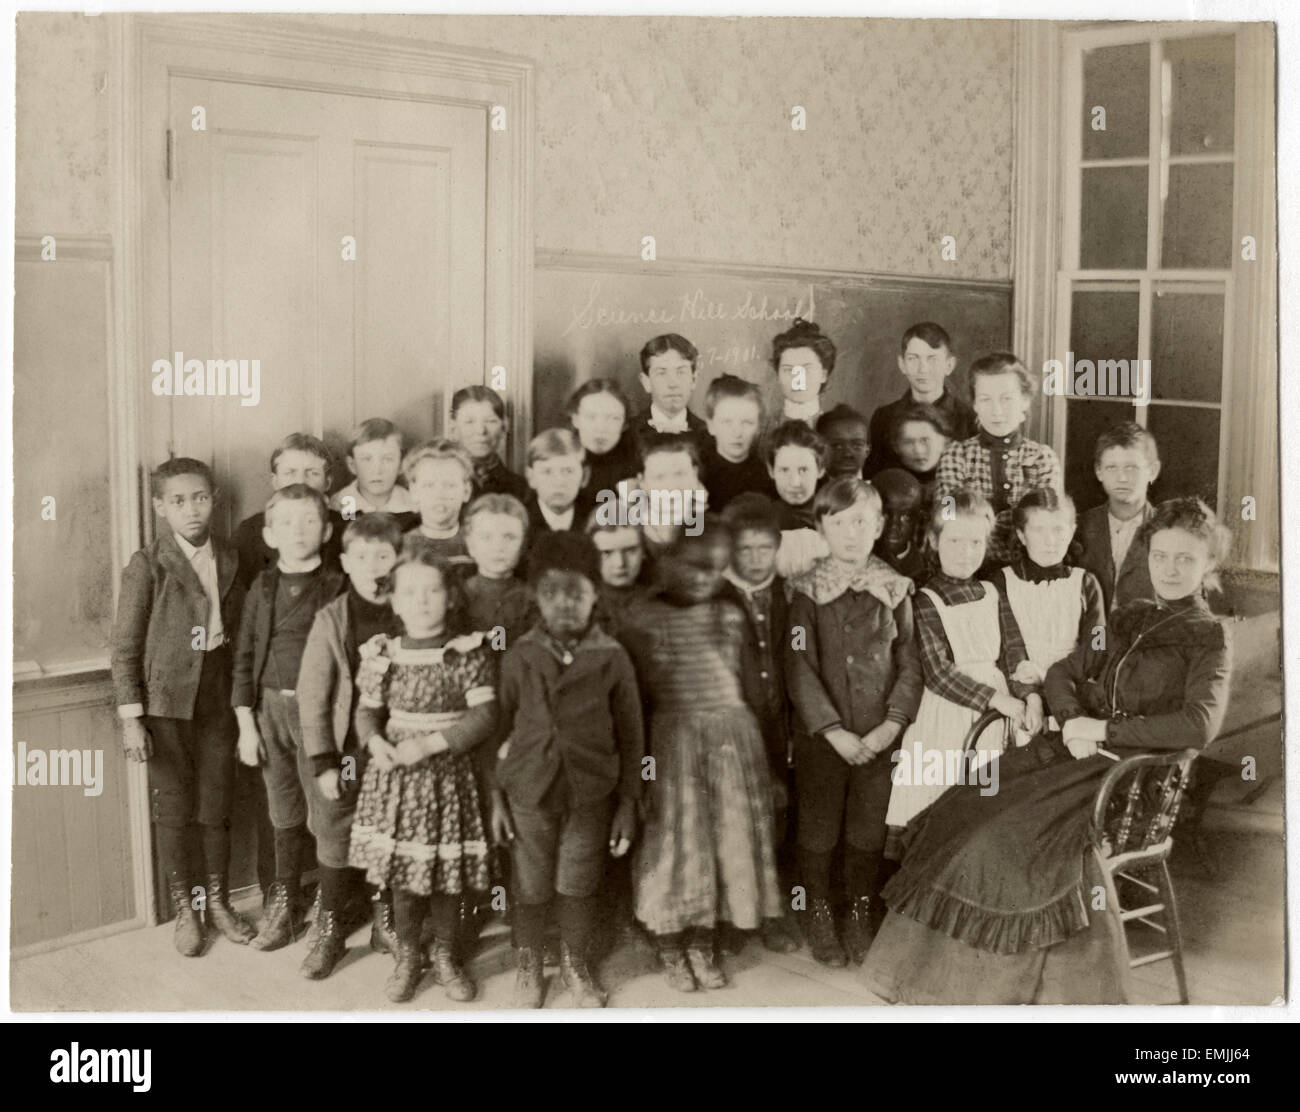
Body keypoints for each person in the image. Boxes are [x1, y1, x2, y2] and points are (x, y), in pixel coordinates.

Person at [862, 498, 1232, 1005]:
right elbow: (1063, 672)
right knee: (963, 804)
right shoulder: (1127, 618)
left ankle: (1008, 992)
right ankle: (941, 980)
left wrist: (1099, 730)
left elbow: (1200, 724)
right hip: (1072, 751)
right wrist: (1070, 717)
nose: (1169, 569)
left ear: (1208, 564)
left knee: (1007, 836)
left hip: (1126, 780)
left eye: (1185, 559)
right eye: (1161, 556)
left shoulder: (1208, 636)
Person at [623, 519, 785, 991]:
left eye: (714, 571)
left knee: (723, 841)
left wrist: (771, 765)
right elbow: (635, 702)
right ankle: (671, 944)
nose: (702, 578)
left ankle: (703, 939)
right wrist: (643, 774)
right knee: (676, 845)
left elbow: (751, 689)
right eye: (692, 567)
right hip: (673, 744)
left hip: (733, 743)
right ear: (667, 562)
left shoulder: (729, 613)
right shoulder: (643, 617)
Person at [489, 532, 644, 1008]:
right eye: (552, 593)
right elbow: (497, 731)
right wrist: (495, 799)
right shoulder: (518, 655)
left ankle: (576, 963)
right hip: (529, 789)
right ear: (536, 598)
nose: (564, 604)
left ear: (595, 595)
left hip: (590, 793)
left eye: (576, 593)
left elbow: (633, 735)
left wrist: (629, 802)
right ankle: (529, 963)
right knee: (531, 882)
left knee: (579, 880)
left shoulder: (612, 657)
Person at [112, 458, 253, 956]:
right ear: (159, 507)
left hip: (217, 697)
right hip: (166, 705)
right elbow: (126, 648)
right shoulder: (147, 565)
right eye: (177, 501)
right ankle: (187, 911)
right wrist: (133, 720)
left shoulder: (233, 558)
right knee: (174, 809)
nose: (191, 510)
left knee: (215, 805)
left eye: (199, 498)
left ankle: (217, 903)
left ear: (213, 499)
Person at [347, 539, 499, 1003]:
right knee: (405, 879)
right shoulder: (383, 653)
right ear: (393, 599)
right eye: (409, 593)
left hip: (447, 778)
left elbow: (484, 717)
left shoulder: (465, 651)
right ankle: (408, 956)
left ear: (450, 597)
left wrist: (430, 745)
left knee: (445, 877)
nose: (421, 602)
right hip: (396, 782)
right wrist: (375, 743)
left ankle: (448, 954)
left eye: (432, 591)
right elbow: (367, 713)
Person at [784, 477, 922, 966]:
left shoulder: (895, 588)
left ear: (880, 525)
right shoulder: (805, 593)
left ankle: (860, 911)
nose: (850, 533)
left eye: (861, 522)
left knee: (866, 831)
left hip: (878, 739)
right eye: (838, 523)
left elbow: (909, 660)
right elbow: (798, 666)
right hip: (826, 740)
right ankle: (817, 910)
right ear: (821, 528)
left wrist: (892, 724)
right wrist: (832, 730)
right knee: (819, 829)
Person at [883, 489, 1039, 835]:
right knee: (942, 796)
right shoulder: (924, 600)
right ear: (935, 541)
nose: (965, 553)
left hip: (1000, 713)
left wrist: (1028, 696)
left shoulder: (993, 592)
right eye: (954, 541)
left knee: (988, 803)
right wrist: (997, 700)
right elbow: (938, 673)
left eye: (975, 543)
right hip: (949, 712)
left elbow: (1013, 650)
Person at [232, 484, 345, 951]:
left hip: (319, 714)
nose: (298, 531)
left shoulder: (338, 585)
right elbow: (243, 656)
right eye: (287, 523)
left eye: (309, 521)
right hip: (269, 711)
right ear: (269, 534)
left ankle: (331, 913)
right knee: (283, 811)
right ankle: (285, 902)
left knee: (328, 810)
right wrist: (245, 723)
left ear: (327, 529)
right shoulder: (261, 588)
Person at [295, 512, 405, 978]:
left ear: (398, 559)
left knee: (393, 831)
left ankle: (387, 920)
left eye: (383, 555)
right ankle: (332, 926)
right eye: (362, 556)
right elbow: (313, 695)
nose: (373, 565)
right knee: (337, 834)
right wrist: (323, 761)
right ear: (344, 562)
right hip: (346, 750)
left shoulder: (412, 608)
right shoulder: (331, 619)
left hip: (397, 746)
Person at [934, 352, 1062, 570]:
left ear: (1024, 400)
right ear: (974, 404)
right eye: (985, 399)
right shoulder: (956, 455)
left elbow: (1046, 523)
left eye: (1006, 399)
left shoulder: (1042, 458)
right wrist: (1013, 519)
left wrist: (977, 516)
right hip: (970, 569)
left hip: (1028, 571)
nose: (997, 411)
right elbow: (947, 518)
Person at [993, 488, 1106, 696]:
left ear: (1071, 531)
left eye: (1058, 530)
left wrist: (1049, 675)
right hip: (1016, 689)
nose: (1050, 541)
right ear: (1022, 535)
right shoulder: (1003, 582)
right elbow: (1001, 644)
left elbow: (1097, 645)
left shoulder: (1086, 583)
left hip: (1072, 690)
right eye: (1038, 530)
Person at [864, 322, 976, 477]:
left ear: (949, 365)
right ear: (902, 364)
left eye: (932, 359)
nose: (923, 369)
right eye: (913, 358)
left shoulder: (970, 420)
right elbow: (874, 477)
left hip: (950, 501)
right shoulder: (883, 418)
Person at [236, 433, 345, 589]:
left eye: (312, 473)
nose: (301, 481)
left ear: (327, 482)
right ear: (275, 481)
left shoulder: (345, 528)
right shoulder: (250, 532)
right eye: (290, 472)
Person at [1076, 421, 1161, 614]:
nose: (1122, 478)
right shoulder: (1080, 527)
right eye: (1112, 467)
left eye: (1131, 468)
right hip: (1090, 638)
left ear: (1153, 471)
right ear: (1099, 471)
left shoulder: (1166, 529)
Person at [462, 493, 536, 649]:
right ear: (470, 544)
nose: (498, 547)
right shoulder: (458, 597)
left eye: (509, 537)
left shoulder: (531, 600)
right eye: (486, 537)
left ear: (523, 544)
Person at [701, 374, 775, 512]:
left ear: (758, 428)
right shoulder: (696, 474)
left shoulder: (766, 477)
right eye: (727, 422)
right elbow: (692, 530)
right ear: (711, 426)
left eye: (747, 422)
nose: (737, 433)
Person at [629, 333, 709, 455]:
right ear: (646, 382)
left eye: (681, 372)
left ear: (694, 380)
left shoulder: (709, 435)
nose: (673, 384)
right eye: (661, 373)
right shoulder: (627, 433)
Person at [450, 385, 530, 504]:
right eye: (469, 422)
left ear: (504, 427)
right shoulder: (436, 483)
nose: (481, 430)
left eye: (490, 421)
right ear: (454, 428)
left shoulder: (522, 488)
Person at [568, 378, 640, 505]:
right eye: (591, 417)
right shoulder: (559, 460)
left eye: (613, 418)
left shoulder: (637, 466)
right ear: (575, 420)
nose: (601, 428)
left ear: (624, 424)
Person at [402, 439, 475, 564]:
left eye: (449, 485)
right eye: (429, 485)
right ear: (414, 492)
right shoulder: (401, 547)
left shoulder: (478, 543)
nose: (439, 495)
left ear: (466, 491)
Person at [330, 417, 416, 522]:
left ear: (401, 465)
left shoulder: (413, 505)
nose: (377, 470)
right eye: (366, 459)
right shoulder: (337, 506)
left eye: (387, 459)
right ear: (352, 465)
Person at [766, 318, 837, 435]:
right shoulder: (762, 430)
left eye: (807, 369)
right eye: (788, 370)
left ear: (823, 375)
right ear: (777, 375)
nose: (798, 380)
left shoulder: (835, 431)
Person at [871, 468, 928, 583]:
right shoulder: (856, 562)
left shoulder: (926, 570)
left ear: (918, 518)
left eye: (906, 517)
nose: (894, 525)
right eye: (885, 513)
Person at [816, 404, 872, 480]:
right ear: (819, 449)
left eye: (857, 446)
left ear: (867, 451)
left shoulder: (878, 488)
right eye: (837, 446)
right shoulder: (808, 488)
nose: (847, 454)